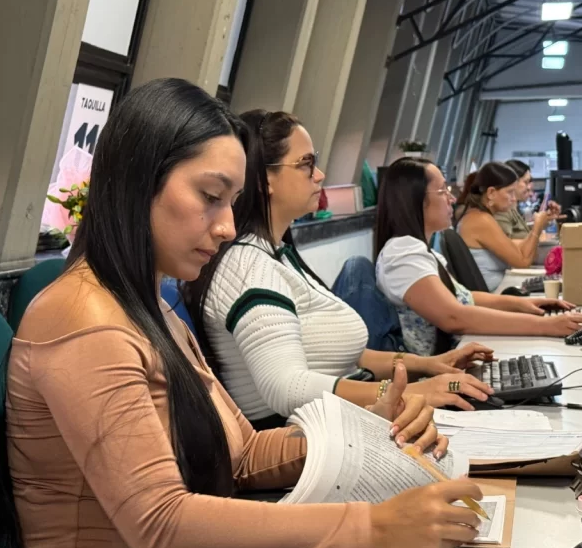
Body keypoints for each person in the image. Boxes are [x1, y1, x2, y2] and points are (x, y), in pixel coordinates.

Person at [4, 79, 484, 548]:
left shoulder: (147, 305)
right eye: (210, 197)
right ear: (137, 182)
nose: (228, 226)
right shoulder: (86, 320)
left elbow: (244, 455)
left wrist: (369, 429)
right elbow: (161, 524)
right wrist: (375, 525)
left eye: (232, 203)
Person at [184, 109, 495, 428]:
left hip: (344, 420)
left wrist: (430, 365)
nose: (319, 175)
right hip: (310, 437)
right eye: (306, 163)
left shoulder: (278, 256)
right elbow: (287, 388)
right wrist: (409, 392)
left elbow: (351, 358)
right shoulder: (249, 267)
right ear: (265, 181)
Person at [375, 157, 582, 356]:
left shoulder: (419, 250)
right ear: (414, 200)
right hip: (435, 373)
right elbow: (454, 317)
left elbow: (463, 297)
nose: (452, 198)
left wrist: (523, 304)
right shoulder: (403, 254)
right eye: (442, 191)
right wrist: (546, 326)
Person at [455, 161, 560, 292]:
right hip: (495, 294)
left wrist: (541, 224)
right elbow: (523, 262)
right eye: (510, 192)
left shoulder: (478, 216)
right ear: (491, 193)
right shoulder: (481, 220)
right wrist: (537, 228)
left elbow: (517, 249)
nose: (514, 199)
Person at [495, 160, 532, 239]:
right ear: (513, 182)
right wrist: (537, 229)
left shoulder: (514, 209)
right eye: (526, 182)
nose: (529, 187)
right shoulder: (502, 211)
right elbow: (506, 243)